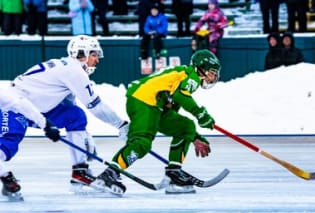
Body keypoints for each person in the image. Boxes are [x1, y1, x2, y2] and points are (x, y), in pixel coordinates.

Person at [7, 35, 129, 190]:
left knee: (75, 115)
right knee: (7, 147)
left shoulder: (67, 67)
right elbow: (96, 106)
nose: (97, 60)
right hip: (13, 108)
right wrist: (121, 124)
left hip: (33, 109)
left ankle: (80, 171)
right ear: (81, 54)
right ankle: (4, 175)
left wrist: (85, 138)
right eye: (94, 55)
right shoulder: (74, 71)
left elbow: (70, 105)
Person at [93, 50, 221, 196]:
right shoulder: (191, 76)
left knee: (186, 127)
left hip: (152, 104)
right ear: (201, 68)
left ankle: (174, 174)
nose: (213, 78)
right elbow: (182, 96)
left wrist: (194, 136)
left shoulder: (180, 77)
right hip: (145, 101)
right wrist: (201, 115)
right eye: (212, 73)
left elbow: (173, 108)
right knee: (142, 143)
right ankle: (109, 174)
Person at [0, 92, 60, 201]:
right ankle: (7, 179)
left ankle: (8, 180)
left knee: (5, 147)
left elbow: (20, 103)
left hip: (9, 118)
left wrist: (45, 124)